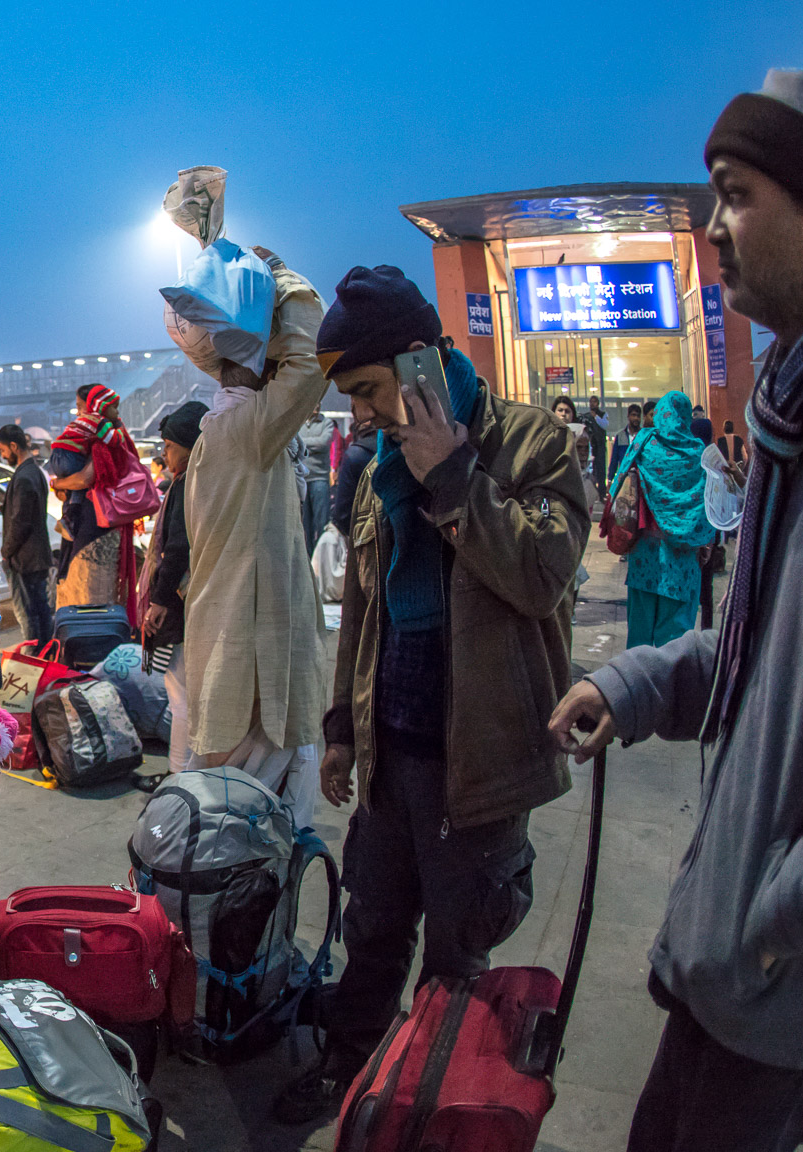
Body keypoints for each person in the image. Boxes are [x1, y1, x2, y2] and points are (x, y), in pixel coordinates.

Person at [551, 70, 803, 1152]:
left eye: (737, 195)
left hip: (787, 967)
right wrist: (633, 684)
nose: (712, 227)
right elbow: (771, 648)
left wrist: (792, 906)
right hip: (731, 940)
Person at [274, 267, 588, 1122]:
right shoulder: (379, 468)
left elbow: (541, 576)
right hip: (391, 753)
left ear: (419, 361)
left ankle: (430, 1103)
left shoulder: (531, 445)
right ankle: (349, 1069)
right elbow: (364, 610)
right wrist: (343, 729)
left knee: (457, 951)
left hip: (479, 764)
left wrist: (453, 475)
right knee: (373, 928)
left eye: (369, 391)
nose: (360, 415)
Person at [163, 239, 327, 822]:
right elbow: (311, 362)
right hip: (252, 659)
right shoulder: (248, 429)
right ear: (268, 368)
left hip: (232, 645)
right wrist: (284, 279)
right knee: (251, 824)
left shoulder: (224, 427)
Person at [615, 391, 714, 649]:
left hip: (644, 557)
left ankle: (637, 676)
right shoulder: (698, 453)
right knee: (674, 645)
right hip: (682, 563)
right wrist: (706, 542)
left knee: (639, 638)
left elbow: (618, 484)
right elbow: (710, 505)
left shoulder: (644, 443)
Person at [139, 401, 206, 774]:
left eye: (168, 445)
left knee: (180, 693)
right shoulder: (203, 478)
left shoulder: (187, 483)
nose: (165, 454)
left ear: (189, 445)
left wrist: (160, 600)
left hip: (184, 601)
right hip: (196, 599)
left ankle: (179, 774)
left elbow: (177, 547)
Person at [47, 385, 137, 610]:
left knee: (89, 601)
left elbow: (84, 479)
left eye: (80, 406)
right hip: (92, 527)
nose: (78, 412)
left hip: (95, 531)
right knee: (86, 598)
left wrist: (57, 483)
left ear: (94, 406)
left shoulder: (102, 439)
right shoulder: (98, 435)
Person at [0, 424, 53, 645]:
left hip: (25, 559)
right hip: (35, 556)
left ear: (13, 446)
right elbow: (27, 512)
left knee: (28, 614)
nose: (3, 455)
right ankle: (45, 652)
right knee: (41, 610)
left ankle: (34, 654)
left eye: (3, 450)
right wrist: (4, 507)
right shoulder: (34, 472)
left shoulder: (24, 477)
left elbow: (21, 522)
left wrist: (6, 551)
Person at [297, 409, 336, 554]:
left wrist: (302, 444)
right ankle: (307, 558)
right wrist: (313, 444)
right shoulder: (298, 421)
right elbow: (292, 442)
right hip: (301, 479)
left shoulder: (327, 423)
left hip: (320, 478)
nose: (316, 405)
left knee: (322, 523)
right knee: (303, 525)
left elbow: (324, 443)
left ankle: (322, 557)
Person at [610, 402, 645, 484]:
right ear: (628, 416)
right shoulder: (620, 436)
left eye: (638, 416)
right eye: (633, 415)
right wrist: (610, 479)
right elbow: (614, 460)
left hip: (641, 477)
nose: (636, 418)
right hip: (624, 477)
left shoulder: (644, 436)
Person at [586, 392, 612, 497]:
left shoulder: (603, 414)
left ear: (598, 403)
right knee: (591, 470)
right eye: (591, 402)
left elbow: (605, 425)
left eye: (594, 402)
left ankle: (601, 493)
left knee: (601, 470)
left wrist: (596, 417)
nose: (592, 404)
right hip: (591, 446)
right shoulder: (587, 416)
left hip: (600, 445)